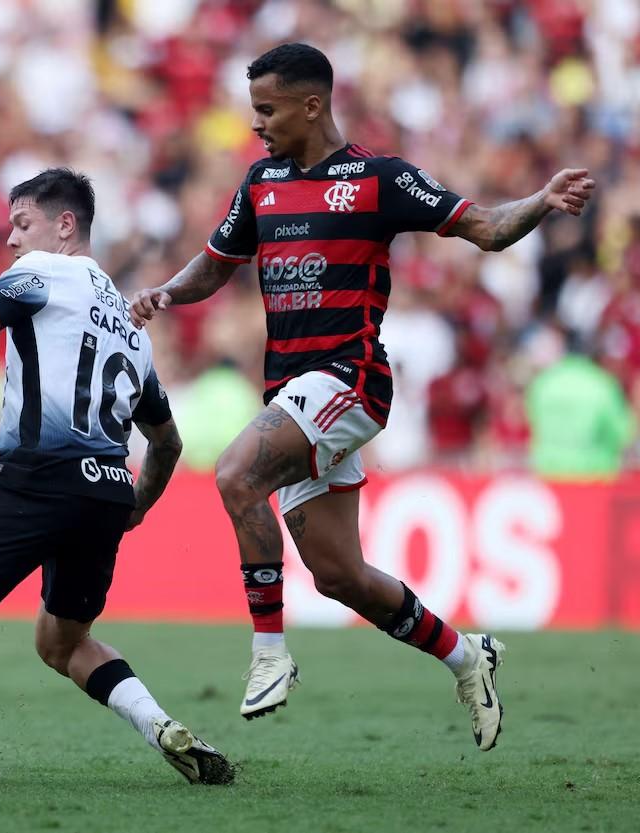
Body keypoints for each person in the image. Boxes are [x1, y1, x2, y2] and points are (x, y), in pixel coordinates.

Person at [129, 43, 595, 750]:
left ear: (312, 105)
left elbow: (486, 228)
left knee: (234, 475)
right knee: (341, 576)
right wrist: (168, 290)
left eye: (267, 109)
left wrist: (542, 200)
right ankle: (469, 658)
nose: (256, 123)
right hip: (292, 392)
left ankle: (269, 654)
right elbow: (215, 264)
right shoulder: (262, 184)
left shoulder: (379, 180)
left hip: (349, 381)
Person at [0, 168, 234, 787]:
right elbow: (167, 441)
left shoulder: (43, 274)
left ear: (65, 225)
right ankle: (163, 727)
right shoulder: (130, 325)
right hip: (104, 490)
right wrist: (138, 506)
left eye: (23, 225)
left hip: (38, 476)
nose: (12, 242)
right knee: (61, 643)